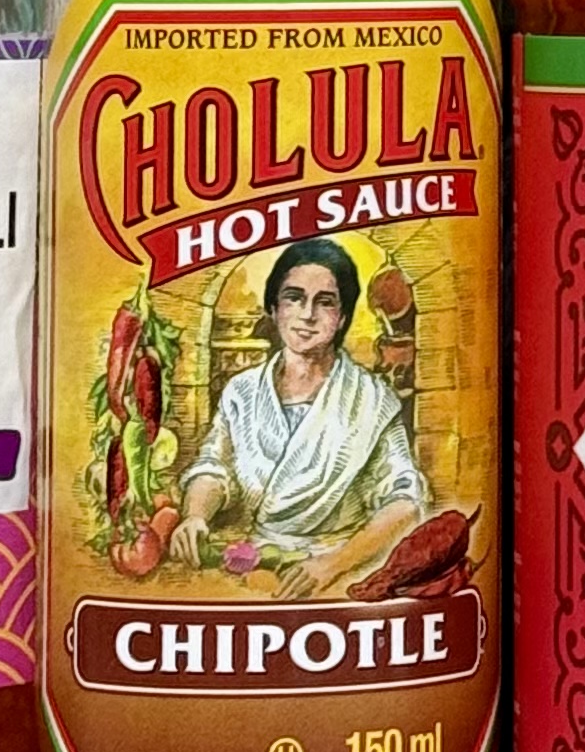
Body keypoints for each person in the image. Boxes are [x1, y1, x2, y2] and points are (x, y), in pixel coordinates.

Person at [175, 237, 428, 599]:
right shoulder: (242, 391)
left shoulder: (372, 399)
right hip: (255, 564)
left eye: (325, 302)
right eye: (294, 298)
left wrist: (333, 564)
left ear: (341, 317)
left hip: (342, 573)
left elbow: (405, 501)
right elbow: (215, 467)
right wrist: (195, 515)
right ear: (274, 308)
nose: (308, 314)